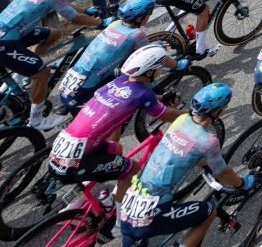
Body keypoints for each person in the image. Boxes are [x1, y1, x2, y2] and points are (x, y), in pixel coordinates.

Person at [50, 43, 182, 223]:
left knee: (116, 149)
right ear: (150, 72)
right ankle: (119, 221)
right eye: (160, 67)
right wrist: (193, 115)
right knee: (132, 168)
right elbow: (166, 114)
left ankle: (77, 203)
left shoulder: (118, 81)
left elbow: (135, 97)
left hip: (63, 149)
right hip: (75, 161)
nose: (161, 70)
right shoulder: (143, 94)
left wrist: (161, 98)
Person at [117, 83, 253, 247]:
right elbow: (223, 173)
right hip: (148, 215)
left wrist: (206, 163)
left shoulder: (181, 120)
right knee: (209, 211)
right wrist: (242, 183)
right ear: (217, 111)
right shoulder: (208, 141)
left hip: (127, 208)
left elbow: (184, 151)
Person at [0, 0, 103, 130]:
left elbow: (63, 4)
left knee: (54, 33)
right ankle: (36, 120)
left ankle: (23, 72)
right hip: (2, 44)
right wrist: (99, 22)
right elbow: (74, 18)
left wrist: (86, 11)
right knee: (42, 73)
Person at [54, 0, 160, 112]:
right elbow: (149, 57)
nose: (149, 16)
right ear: (140, 18)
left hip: (71, 83)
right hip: (86, 90)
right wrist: (166, 57)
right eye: (149, 14)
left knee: (115, 72)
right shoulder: (137, 34)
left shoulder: (115, 24)